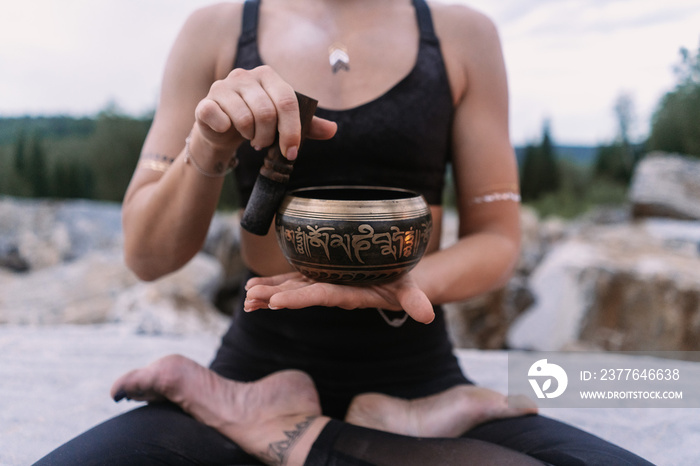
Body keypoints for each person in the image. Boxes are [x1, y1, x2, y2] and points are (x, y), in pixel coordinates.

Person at [35, 0, 653, 464]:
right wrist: (209, 142)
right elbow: (147, 255)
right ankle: (317, 422)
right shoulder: (217, 29)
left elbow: (498, 236)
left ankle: (311, 430)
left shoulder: (463, 35)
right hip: (256, 365)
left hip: (420, 375)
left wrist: (402, 283)